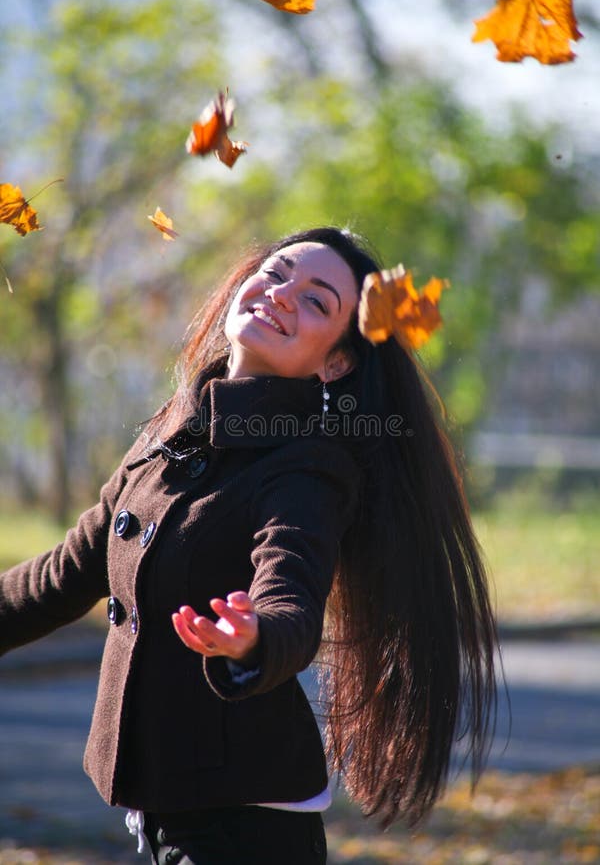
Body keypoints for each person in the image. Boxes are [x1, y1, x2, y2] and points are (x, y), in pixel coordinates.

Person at [0, 226, 498, 864]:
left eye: (318, 301)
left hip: (243, 825)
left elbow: (291, 591)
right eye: (279, 270)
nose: (284, 293)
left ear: (336, 362)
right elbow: (65, 574)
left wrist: (253, 637)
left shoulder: (306, 469)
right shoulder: (172, 433)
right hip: (165, 805)